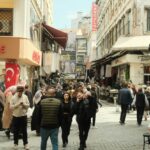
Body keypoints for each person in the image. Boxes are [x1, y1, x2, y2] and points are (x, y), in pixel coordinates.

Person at [10, 85, 30, 150]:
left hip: (23, 116)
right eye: (19, 92)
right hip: (16, 116)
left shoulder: (25, 97)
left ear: (23, 91)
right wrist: (18, 104)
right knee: (16, 131)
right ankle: (15, 144)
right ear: (17, 91)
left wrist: (24, 104)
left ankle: (26, 144)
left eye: (21, 92)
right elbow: (11, 107)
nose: (20, 93)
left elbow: (28, 105)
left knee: (24, 131)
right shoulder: (13, 97)